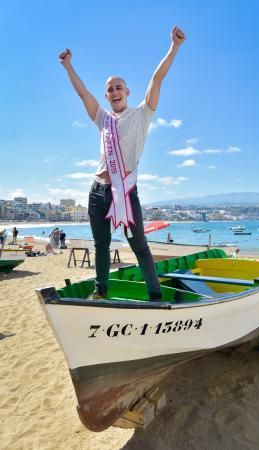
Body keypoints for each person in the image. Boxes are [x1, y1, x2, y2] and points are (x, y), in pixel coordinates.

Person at [59, 26, 186, 301]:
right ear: (106, 96)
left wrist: (174, 47)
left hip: (126, 192)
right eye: (109, 89)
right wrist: (68, 66)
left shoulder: (142, 114)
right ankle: (100, 291)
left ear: (127, 91)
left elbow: (158, 77)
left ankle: (155, 296)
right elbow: (83, 94)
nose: (114, 91)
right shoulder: (102, 118)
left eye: (119, 87)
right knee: (101, 245)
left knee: (139, 245)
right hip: (97, 191)